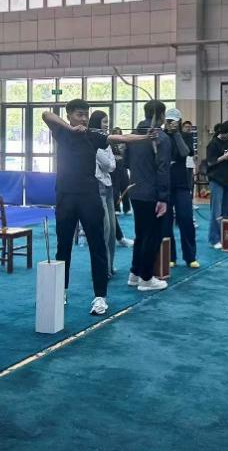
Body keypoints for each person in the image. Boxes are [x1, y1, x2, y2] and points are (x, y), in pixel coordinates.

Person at [43, 100, 151, 316]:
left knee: (97, 245)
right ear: (69, 115)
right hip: (65, 197)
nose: (83, 119)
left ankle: (100, 296)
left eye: (86, 114)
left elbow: (121, 138)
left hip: (89, 198)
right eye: (79, 114)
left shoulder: (92, 135)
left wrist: (146, 137)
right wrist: (70, 128)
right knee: (63, 247)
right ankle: (61, 291)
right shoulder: (61, 132)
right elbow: (46, 114)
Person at [126, 100, 171, 291]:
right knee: (152, 236)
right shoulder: (160, 137)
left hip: (135, 190)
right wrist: (163, 197)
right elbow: (163, 169)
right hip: (152, 193)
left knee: (141, 234)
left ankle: (135, 273)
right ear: (160, 116)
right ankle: (146, 278)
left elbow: (126, 162)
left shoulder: (134, 135)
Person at [162, 109, 199, 269]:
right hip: (165, 185)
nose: (171, 123)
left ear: (179, 121)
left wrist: (177, 134)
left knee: (186, 219)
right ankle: (170, 256)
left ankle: (190, 257)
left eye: (174, 121)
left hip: (182, 185)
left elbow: (185, 153)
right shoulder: (161, 136)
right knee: (166, 222)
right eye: (169, 121)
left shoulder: (185, 135)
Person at [89, 110, 118, 280]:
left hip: (109, 187)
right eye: (104, 122)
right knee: (104, 231)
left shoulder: (107, 142)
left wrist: (109, 162)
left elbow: (112, 166)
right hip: (98, 187)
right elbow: (108, 164)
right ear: (97, 123)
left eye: (107, 121)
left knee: (112, 231)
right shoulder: (93, 140)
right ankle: (102, 268)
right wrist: (109, 162)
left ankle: (109, 266)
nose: (107, 125)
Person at [205, 120, 228, 249]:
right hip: (216, 180)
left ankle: (227, 237)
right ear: (224, 131)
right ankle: (214, 239)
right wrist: (224, 156)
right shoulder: (213, 144)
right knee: (216, 211)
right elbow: (210, 162)